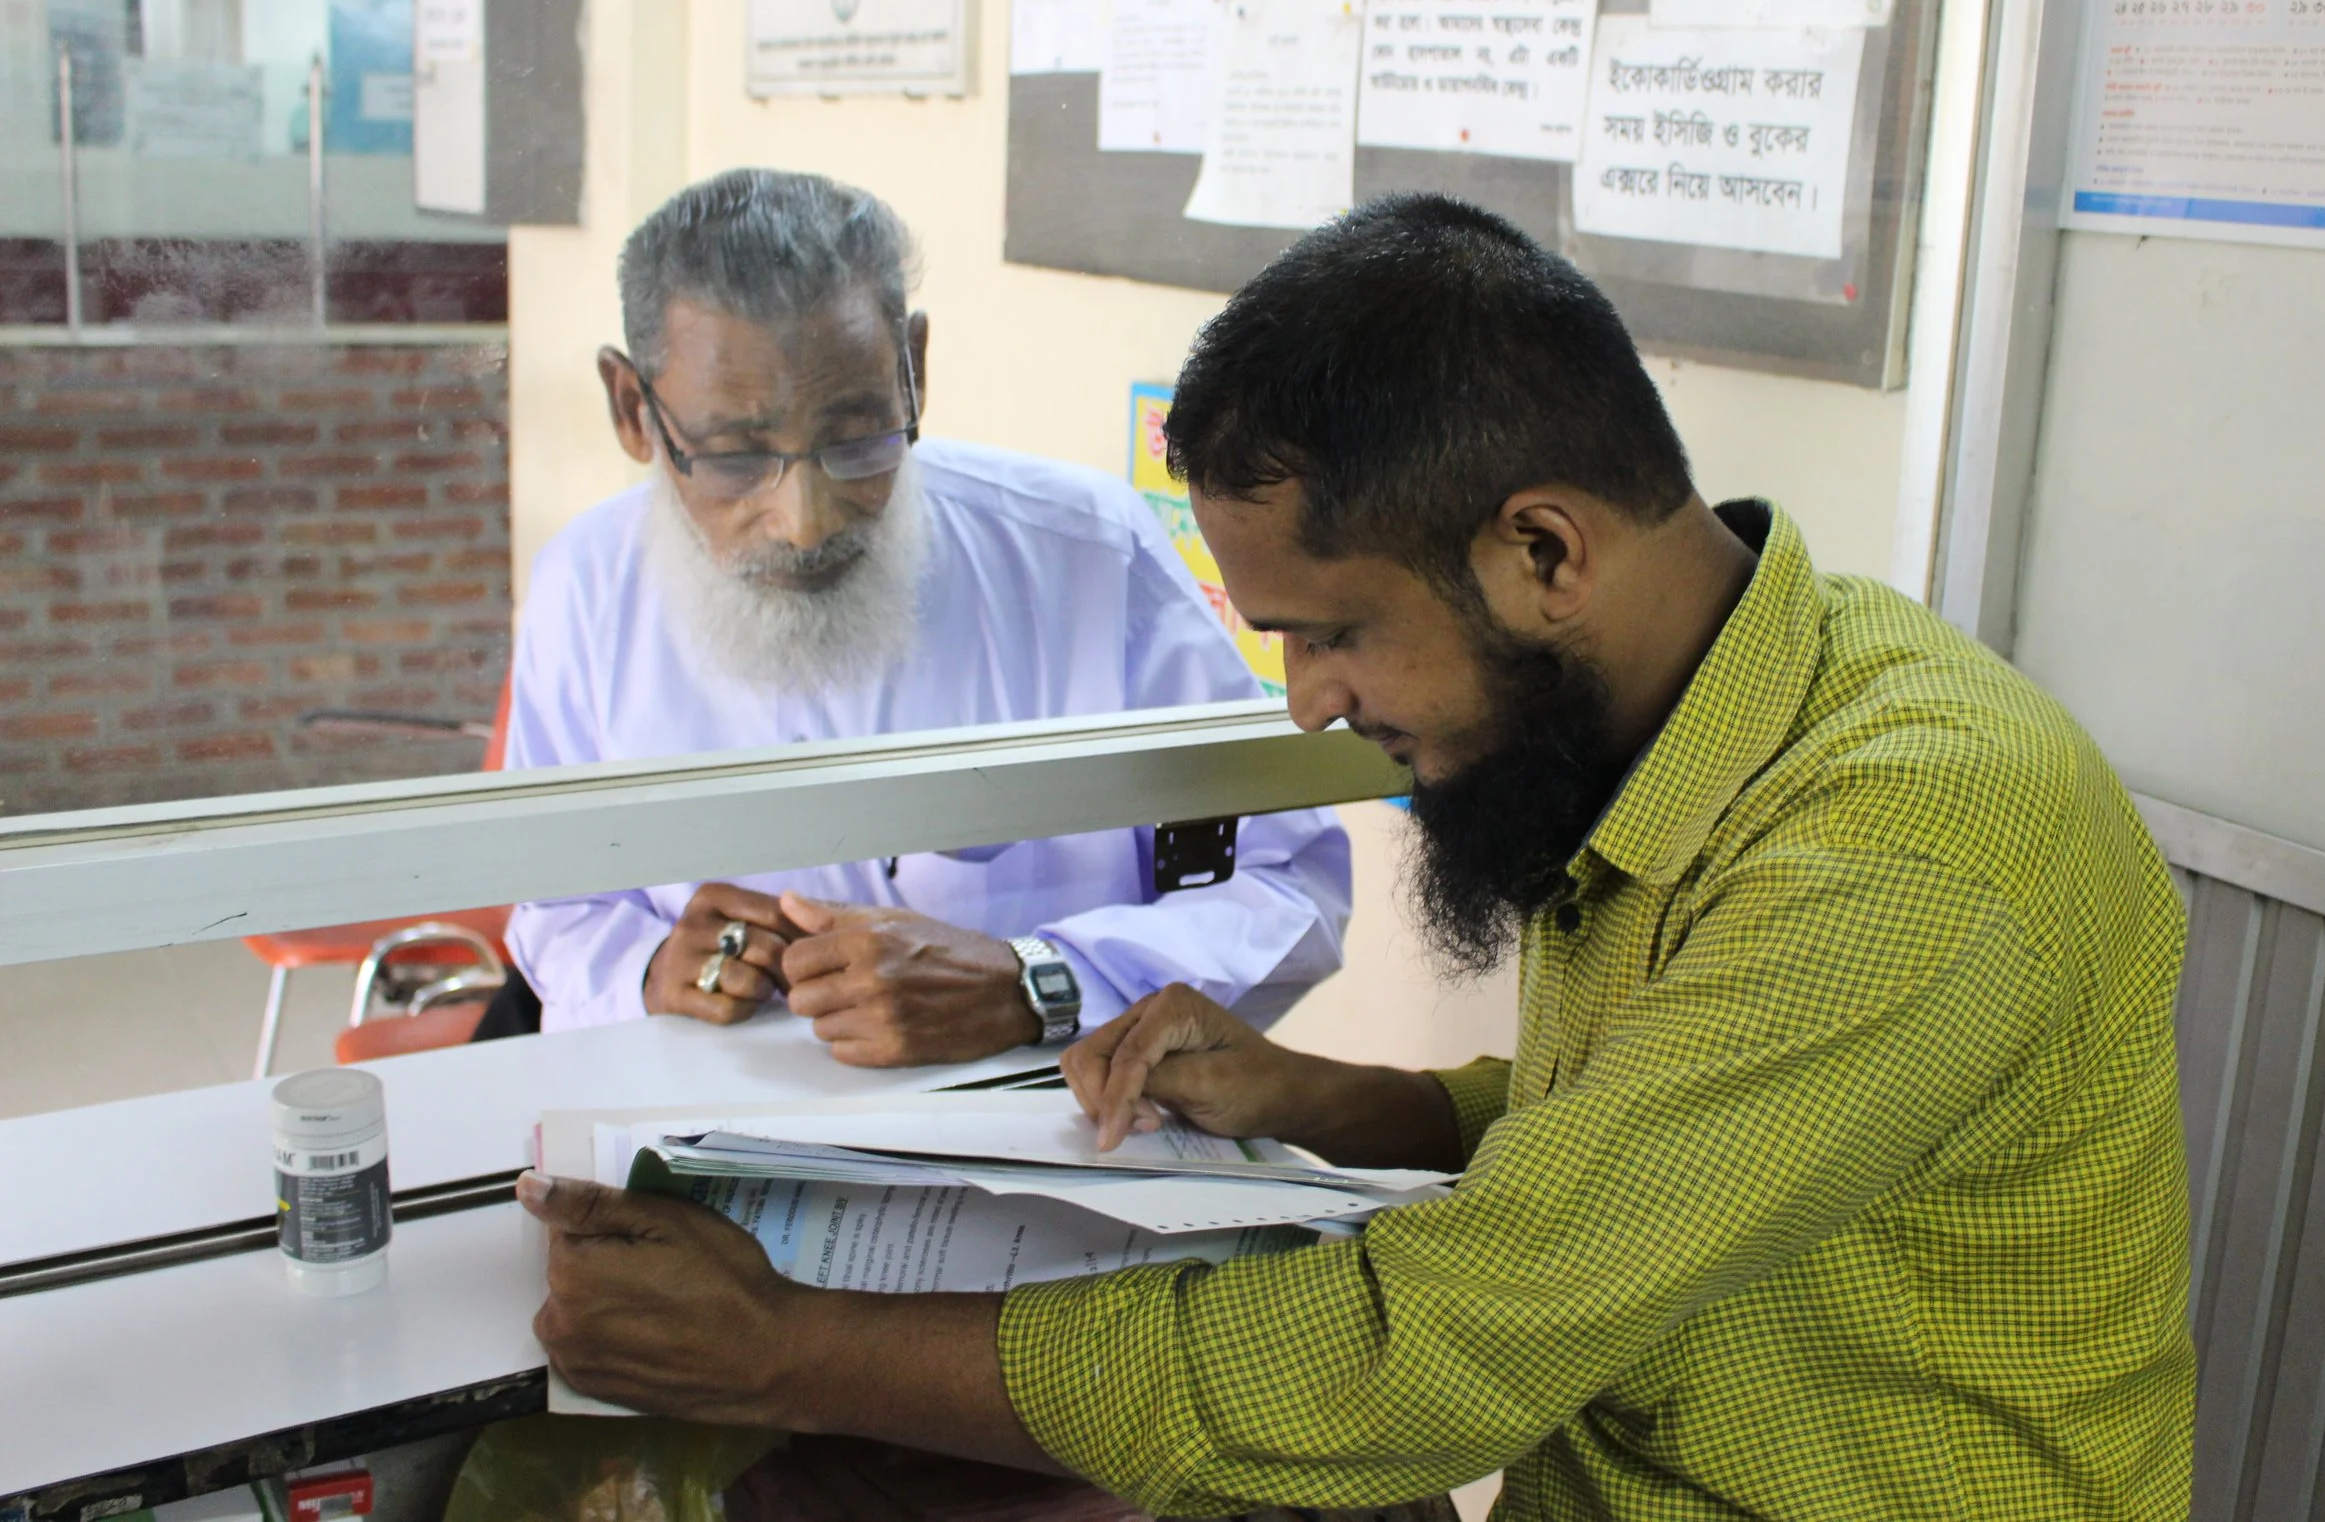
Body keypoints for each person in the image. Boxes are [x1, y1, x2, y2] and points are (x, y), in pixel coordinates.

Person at [519, 194, 2197, 1518]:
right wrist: (1347, 1104)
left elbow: (1425, 1353)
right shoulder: (1741, 701)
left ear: (1542, 548)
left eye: (1329, 638)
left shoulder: (1900, 854)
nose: (1313, 711)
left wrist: (786, 1351)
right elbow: (1636, 1129)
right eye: (734, 448)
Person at [490, 169, 1349, 1064]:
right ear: (634, 410)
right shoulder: (585, 588)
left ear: (914, 369)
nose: (805, 520)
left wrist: (1039, 982)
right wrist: (646, 968)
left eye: (857, 439)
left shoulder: (1086, 557)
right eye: (736, 456)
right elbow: (554, 905)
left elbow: (1287, 888)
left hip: (1050, 1134)